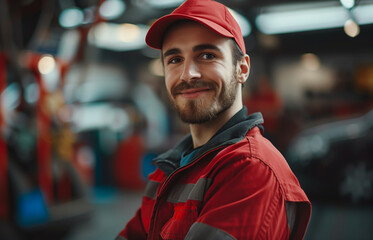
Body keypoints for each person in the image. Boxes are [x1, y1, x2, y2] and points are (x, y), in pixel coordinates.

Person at [116, 0, 311, 239]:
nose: (188, 74)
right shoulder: (169, 168)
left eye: (207, 55)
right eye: (175, 59)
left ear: (242, 69)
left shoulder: (251, 171)